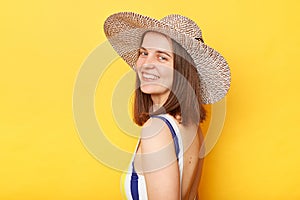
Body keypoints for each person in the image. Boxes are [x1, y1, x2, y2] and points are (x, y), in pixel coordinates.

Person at [104, 12, 231, 200]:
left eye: (162, 57)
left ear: (181, 69)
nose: (146, 64)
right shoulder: (193, 128)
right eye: (144, 53)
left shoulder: (156, 129)